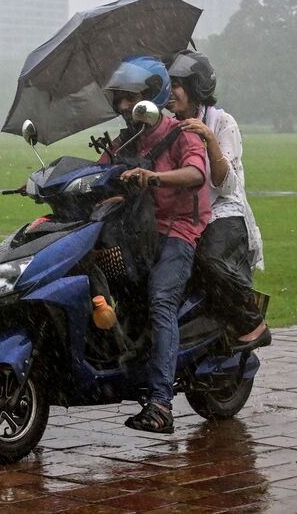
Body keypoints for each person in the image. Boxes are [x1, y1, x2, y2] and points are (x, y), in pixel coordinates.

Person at [98, 55, 212, 434]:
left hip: (178, 228)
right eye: (120, 99)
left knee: (161, 299)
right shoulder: (125, 139)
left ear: (152, 94)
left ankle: (161, 404)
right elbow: (99, 171)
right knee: (111, 282)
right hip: (137, 232)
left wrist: (153, 177)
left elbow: (197, 173)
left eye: (130, 98)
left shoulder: (182, 133)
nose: (123, 106)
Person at [165, 50, 270, 352]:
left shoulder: (222, 122)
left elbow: (227, 186)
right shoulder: (169, 128)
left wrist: (209, 139)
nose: (170, 93)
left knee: (209, 260)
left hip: (223, 212)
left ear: (196, 87)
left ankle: (252, 322)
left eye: (177, 84)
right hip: (185, 215)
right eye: (167, 85)